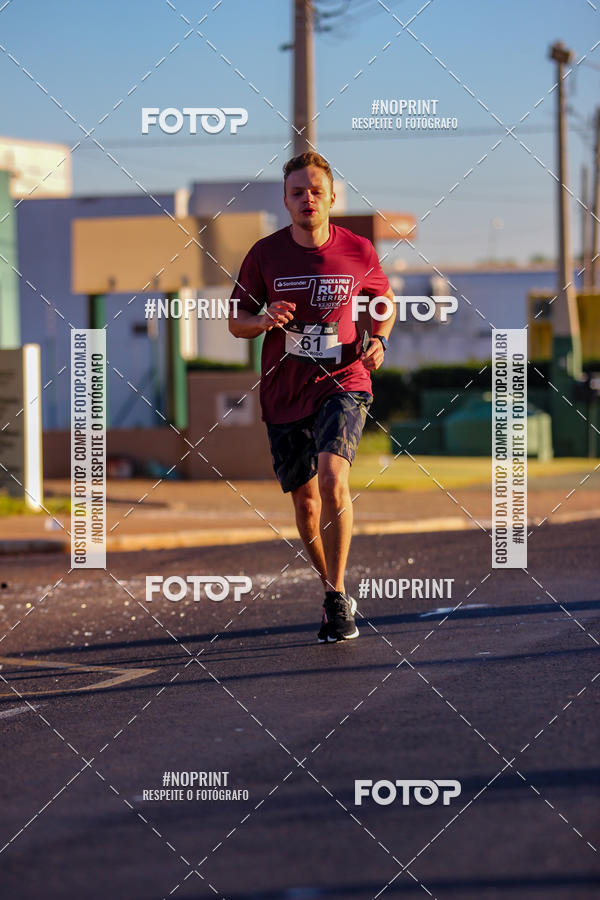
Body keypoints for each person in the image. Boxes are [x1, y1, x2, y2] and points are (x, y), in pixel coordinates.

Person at [229, 151, 395, 642]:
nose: (307, 199)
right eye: (297, 192)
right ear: (285, 201)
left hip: (344, 379)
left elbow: (383, 302)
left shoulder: (358, 250)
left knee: (332, 479)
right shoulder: (264, 254)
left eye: (316, 191)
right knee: (305, 504)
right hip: (285, 390)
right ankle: (331, 589)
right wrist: (263, 320)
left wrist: (380, 339)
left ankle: (337, 595)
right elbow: (236, 320)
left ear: (332, 198)